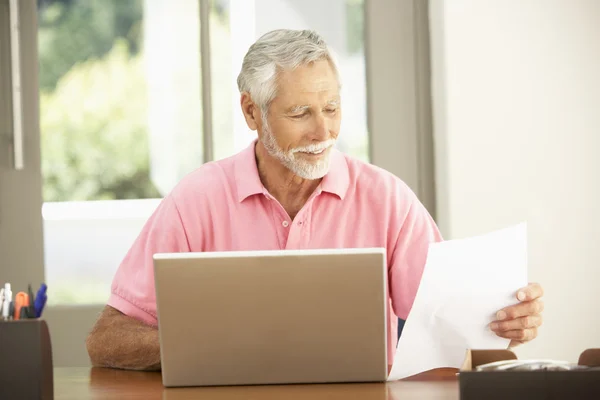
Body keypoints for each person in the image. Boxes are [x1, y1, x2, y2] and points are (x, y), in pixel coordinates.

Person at [86, 29, 544, 372]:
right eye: (300, 112)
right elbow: (106, 340)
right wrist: (210, 345)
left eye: (331, 108)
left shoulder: (386, 199)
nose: (323, 133)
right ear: (252, 112)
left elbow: (454, 337)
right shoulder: (196, 199)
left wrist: (505, 325)